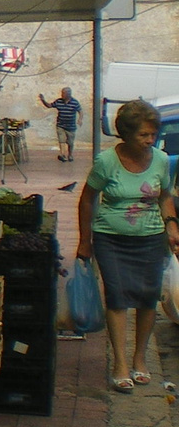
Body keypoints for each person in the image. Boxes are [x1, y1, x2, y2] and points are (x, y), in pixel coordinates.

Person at [76, 99, 179, 393]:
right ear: (126, 133)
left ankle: (140, 359)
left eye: (153, 135)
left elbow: (165, 195)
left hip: (151, 239)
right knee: (118, 297)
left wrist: (171, 225)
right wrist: (85, 241)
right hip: (111, 238)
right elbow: (87, 198)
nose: (150, 140)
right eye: (143, 135)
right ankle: (120, 363)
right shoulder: (106, 162)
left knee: (148, 298)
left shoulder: (160, 159)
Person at [40, 87, 83, 162]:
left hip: (71, 126)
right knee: (61, 140)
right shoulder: (58, 101)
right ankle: (63, 155)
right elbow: (49, 106)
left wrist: (80, 119)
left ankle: (70, 155)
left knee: (70, 142)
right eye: (62, 93)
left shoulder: (75, 102)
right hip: (61, 125)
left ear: (68, 94)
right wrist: (43, 100)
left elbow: (80, 111)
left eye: (63, 93)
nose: (62, 94)